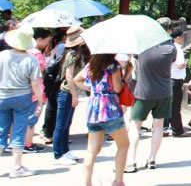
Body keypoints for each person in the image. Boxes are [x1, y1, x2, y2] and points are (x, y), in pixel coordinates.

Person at [74, 53, 129, 186]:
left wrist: (93, 89)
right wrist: (126, 75)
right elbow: (117, 88)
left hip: (93, 110)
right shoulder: (113, 66)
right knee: (123, 145)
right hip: (110, 109)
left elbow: (77, 79)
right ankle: (118, 181)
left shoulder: (91, 65)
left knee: (92, 150)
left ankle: (86, 182)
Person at [0, 26, 43, 178]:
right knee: (18, 132)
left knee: (1, 131)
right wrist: (40, 101)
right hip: (22, 98)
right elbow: (35, 83)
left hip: (2, 96)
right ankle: (16, 168)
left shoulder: (2, 55)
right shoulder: (30, 59)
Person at [126, 37, 174, 172]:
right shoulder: (171, 49)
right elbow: (171, 66)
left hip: (144, 92)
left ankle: (131, 161)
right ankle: (152, 159)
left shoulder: (142, 49)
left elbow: (135, 66)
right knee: (158, 125)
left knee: (135, 125)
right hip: (164, 91)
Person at [52, 26, 88, 165]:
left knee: (67, 124)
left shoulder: (77, 53)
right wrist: (74, 95)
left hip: (70, 93)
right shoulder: (72, 54)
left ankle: (65, 151)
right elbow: (69, 76)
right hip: (66, 93)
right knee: (61, 125)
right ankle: (57, 154)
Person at [23, 27, 53, 153]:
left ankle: (19, 143)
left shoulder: (24, 51)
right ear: (39, 39)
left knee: (21, 118)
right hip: (35, 90)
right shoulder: (36, 53)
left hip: (23, 89)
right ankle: (27, 144)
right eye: (47, 41)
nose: (47, 43)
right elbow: (41, 70)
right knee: (32, 118)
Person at [167, 28, 190, 139]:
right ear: (177, 38)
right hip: (176, 80)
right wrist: (186, 63)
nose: (183, 39)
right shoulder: (178, 49)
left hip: (171, 79)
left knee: (172, 106)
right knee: (175, 107)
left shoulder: (170, 48)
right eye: (182, 37)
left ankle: (172, 128)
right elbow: (180, 65)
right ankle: (178, 130)